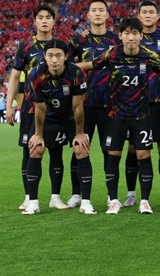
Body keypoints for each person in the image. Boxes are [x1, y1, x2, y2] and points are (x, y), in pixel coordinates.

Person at [77, 17, 160, 214]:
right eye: (127, 33)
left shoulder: (149, 56)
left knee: (144, 155)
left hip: (141, 116)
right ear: (120, 35)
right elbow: (92, 65)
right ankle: (113, 200)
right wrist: (67, 66)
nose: (131, 37)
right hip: (116, 115)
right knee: (113, 156)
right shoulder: (111, 54)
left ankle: (144, 201)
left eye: (135, 33)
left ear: (140, 36)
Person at [6, 4, 69, 211]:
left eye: (48, 17)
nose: (44, 20)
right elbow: (15, 77)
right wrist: (10, 106)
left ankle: (55, 197)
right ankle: (28, 197)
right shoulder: (25, 47)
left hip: (56, 110)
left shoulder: (60, 45)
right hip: (30, 109)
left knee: (56, 152)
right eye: (40, 17)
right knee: (28, 151)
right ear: (34, 21)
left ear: (53, 21)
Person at [22, 39, 92, 215]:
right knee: (36, 149)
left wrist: (80, 133)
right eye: (50, 55)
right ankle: (33, 203)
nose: (54, 60)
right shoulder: (36, 75)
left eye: (58, 55)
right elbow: (40, 108)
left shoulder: (75, 73)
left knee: (81, 149)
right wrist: (38, 134)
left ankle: (86, 202)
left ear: (66, 57)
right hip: (48, 120)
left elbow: (77, 107)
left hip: (69, 118)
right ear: (44, 57)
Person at [122, 0, 160, 208]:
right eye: (143, 11)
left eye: (151, 12)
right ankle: (130, 194)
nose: (147, 15)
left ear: (157, 16)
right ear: (138, 15)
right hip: (137, 104)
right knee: (134, 148)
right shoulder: (130, 38)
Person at [67, 0, 119, 208]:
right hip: (83, 105)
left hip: (110, 106)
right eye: (93, 10)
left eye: (101, 10)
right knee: (78, 149)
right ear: (87, 15)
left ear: (107, 15)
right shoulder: (78, 41)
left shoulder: (117, 40)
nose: (97, 13)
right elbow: (67, 67)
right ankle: (76, 193)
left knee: (109, 151)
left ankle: (111, 196)